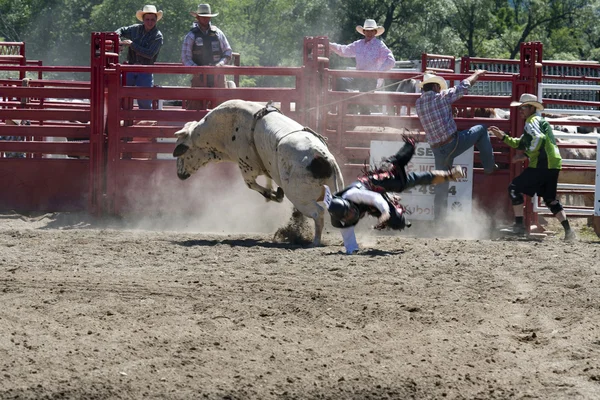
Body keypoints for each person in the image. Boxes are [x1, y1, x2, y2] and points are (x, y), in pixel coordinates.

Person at [320, 136, 466, 254]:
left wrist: (384, 211)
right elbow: (349, 242)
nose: (352, 215)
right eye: (349, 216)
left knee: (396, 171)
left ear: (349, 204)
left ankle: (413, 146)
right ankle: (391, 198)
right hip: (374, 201)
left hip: (377, 185)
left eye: (350, 211)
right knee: (397, 222)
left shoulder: (353, 194)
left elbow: (375, 198)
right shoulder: (343, 221)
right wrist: (352, 250)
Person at [488, 94, 576, 241]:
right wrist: (503, 136)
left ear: (531, 108)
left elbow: (538, 139)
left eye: (523, 107)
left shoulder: (532, 121)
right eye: (520, 107)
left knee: (514, 188)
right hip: (553, 163)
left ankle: (519, 226)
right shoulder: (538, 121)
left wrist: (525, 155)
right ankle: (569, 231)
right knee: (550, 199)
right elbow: (521, 143)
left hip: (543, 162)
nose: (520, 110)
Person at [415, 70, 497, 221]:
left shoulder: (419, 103)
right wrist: (476, 75)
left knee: (441, 185)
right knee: (481, 129)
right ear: (434, 87)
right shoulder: (442, 97)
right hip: (453, 143)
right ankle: (489, 166)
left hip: (437, 150)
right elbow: (463, 86)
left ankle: (438, 221)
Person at [329, 18, 395, 115]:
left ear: (375, 32)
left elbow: (391, 60)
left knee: (364, 101)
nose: (369, 33)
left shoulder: (379, 45)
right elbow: (344, 50)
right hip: (358, 76)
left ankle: (360, 114)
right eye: (367, 31)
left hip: (370, 79)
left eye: (371, 31)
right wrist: (329, 45)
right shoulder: (359, 44)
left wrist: (378, 72)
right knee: (340, 81)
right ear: (364, 32)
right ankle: (350, 106)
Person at [181, 3, 232, 109]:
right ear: (198, 17)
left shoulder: (218, 33)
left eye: (207, 17)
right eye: (202, 17)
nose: (205, 19)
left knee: (221, 105)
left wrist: (220, 64)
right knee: (196, 106)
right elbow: (185, 57)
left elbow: (228, 52)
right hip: (199, 75)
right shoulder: (191, 35)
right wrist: (197, 69)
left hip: (217, 74)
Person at [115, 5, 164, 110]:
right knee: (119, 95)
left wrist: (132, 45)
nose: (150, 22)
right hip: (130, 68)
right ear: (143, 20)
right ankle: (123, 119)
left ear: (156, 21)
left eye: (152, 20)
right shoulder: (135, 29)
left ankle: (144, 122)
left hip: (145, 70)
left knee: (145, 102)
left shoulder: (158, 36)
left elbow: (150, 53)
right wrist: (117, 39)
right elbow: (121, 30)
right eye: (147, 19)